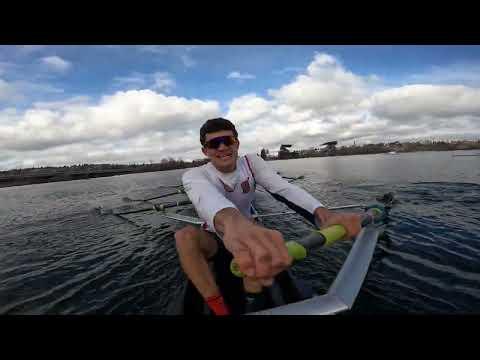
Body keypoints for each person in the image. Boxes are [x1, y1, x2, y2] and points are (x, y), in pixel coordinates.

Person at [174, 117, 361, 315]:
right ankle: (218, 307)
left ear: (237, 143)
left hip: (247, 231)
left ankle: (253, 293)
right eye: (213, 144)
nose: (221, 148)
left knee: (253, 249)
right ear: (206, 151)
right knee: (184, 236)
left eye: (227, 141)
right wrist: (232, 222)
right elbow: (205, 197)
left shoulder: (251, 162)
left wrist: (322, 213)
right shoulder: (194, 175)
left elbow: (283, 188)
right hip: (215, 237)